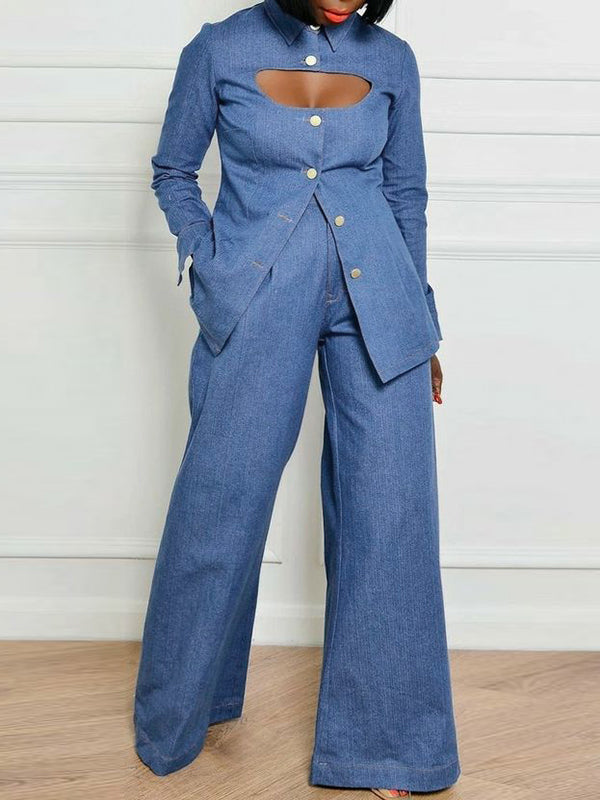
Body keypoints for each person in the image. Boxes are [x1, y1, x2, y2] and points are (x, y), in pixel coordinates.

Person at [133, 1, 461, 796]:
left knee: (390, 512)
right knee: (222, 497)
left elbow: (406, 192)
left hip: (379, 301)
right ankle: (181, 712)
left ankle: (386, 749)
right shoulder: (220, 48)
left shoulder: (393, 59)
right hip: (256, 295)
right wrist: (209, 261)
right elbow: (173, 170)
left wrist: (420, 323)